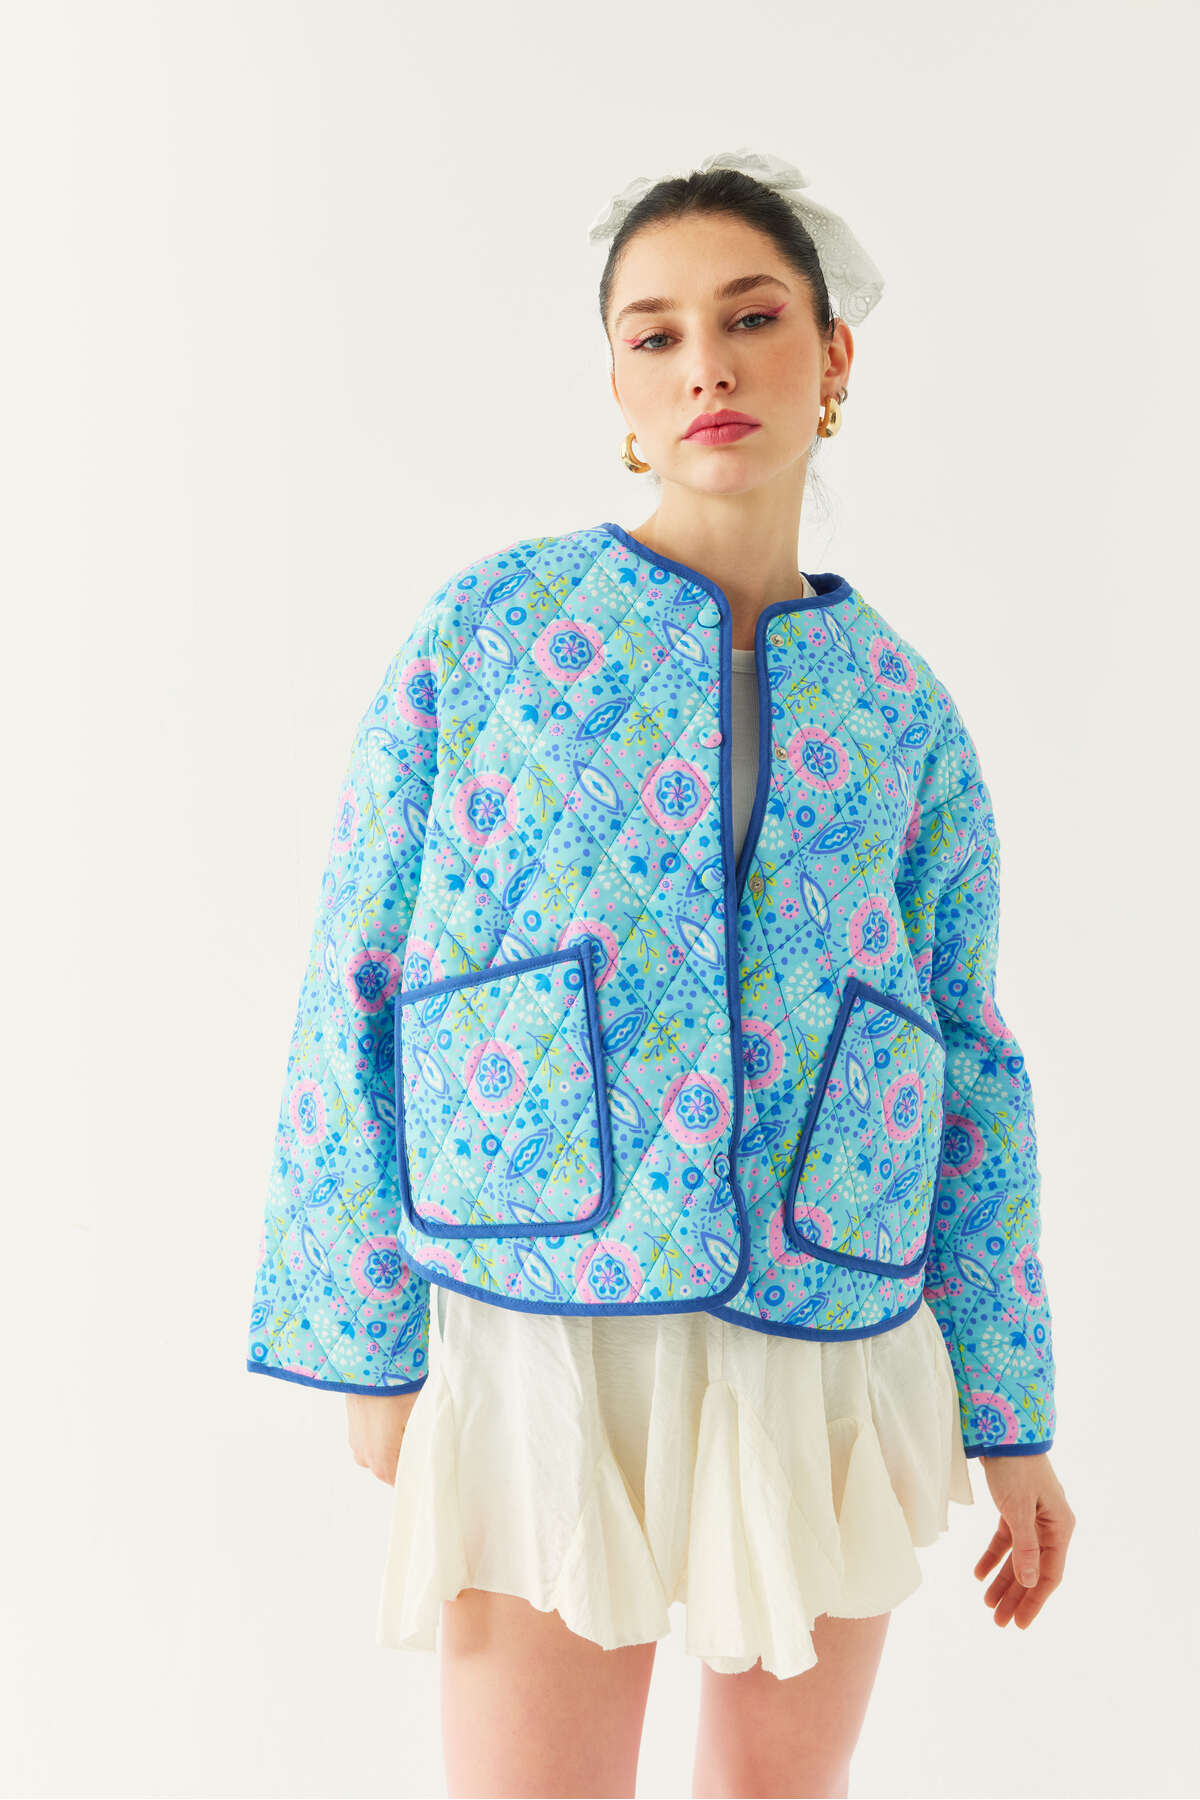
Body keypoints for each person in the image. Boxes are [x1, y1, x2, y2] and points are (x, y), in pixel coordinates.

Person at [247, 150, 1076, 1798]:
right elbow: (359, 969)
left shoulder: (904, 709)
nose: (707, 364)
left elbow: (972, 1057)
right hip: (545, 1310)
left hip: (824, 1323)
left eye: (752, 318)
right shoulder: (489, 632)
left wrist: (1012, 1411)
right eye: (657, 333)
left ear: (832, 357)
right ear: (620, 385)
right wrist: (367, 1336)